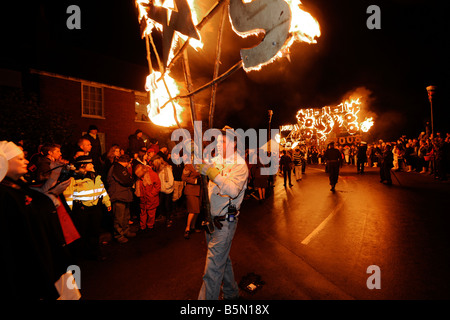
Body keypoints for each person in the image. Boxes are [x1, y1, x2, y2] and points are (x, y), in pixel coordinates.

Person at [0, 141, 73, 299]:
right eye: (19, 159)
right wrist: (52, 195)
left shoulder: (18, 187)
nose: (26, 161)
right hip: (29, 268)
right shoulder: (5, 194)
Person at [196, 126, 249, 300]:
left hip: (225, 222)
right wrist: (196, 157)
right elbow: (201, 166)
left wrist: (213, 174)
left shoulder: (240, 165)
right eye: (217, 140)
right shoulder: (216, 159)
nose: (218, 144)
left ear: (234, 144)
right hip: (210, 220)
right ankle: (231, 293)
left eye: (223, 141)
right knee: (221, 260)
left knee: (212, 268)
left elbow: (233, 190)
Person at [63, 155, 111, 261]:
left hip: (95, 209)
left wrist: (107, 202)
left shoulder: (95, 175)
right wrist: (69, 210)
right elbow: (68, 194)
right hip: (82, 210)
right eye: (90, 164)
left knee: (94, 232)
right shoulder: (73, 178)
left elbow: (101, 189)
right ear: (83, 165)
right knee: (82, 232)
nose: (92, 165)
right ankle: (81, 255)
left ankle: (95, 253)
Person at [107, 154, 136, 243]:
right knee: (119, 217)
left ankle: (125, 231)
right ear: (127, 161)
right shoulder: (117, 168)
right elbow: (126, 180)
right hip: (118, 195)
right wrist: (131, 180)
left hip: (124, 195)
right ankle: (119, 235)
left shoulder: (120, 168)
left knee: (125, 216)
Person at [134, 163, 161, 231]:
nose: (139, 177)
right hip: (143, 197)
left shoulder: (152, 174)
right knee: (143, 212)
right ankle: (142, 226)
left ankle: (150, 226)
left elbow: (158, 185)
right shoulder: (140, 175)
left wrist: (151, 194)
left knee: (151, 213)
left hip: (151, 198)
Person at [182, 162, 201, 239]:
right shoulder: (188, 166)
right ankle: (187, 228)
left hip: (198, 191)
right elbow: (183, 178)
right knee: (192, 210)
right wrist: (195, 181)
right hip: (190, 190)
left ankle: (193, 227)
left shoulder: (200, 165)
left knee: (197, 210)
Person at [154, 158, 175, 227]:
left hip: (168, 190)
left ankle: (168, 219)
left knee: (167, 205)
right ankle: (162, 216)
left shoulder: (167, 169)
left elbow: (171, 180)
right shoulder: (159, 169)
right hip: (161, 189)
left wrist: (167, 186)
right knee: (161, 203)